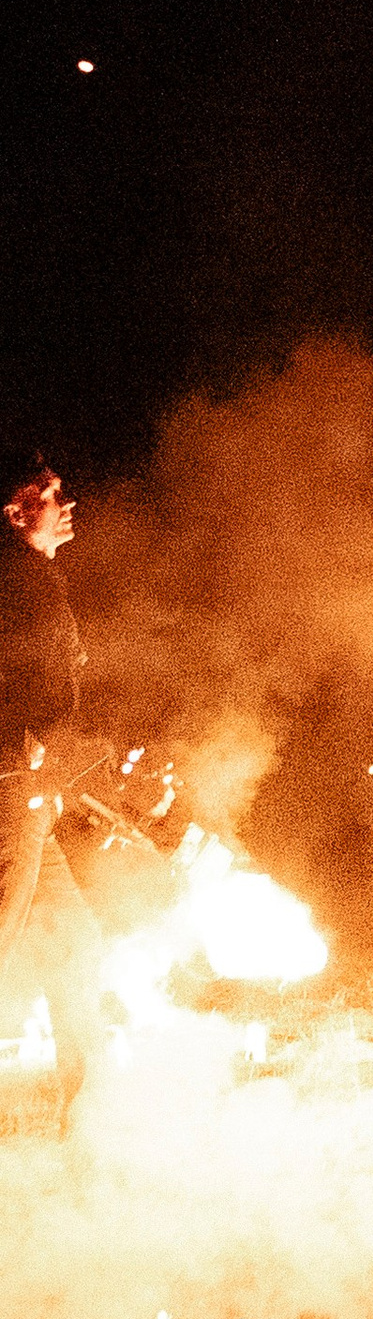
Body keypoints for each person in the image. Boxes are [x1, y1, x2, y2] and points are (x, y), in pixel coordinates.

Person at [0, 453, 108, 1127]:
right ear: (15, 514)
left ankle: (88, 1113)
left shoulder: (33, 578)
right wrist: (27, 743)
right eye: (47, 495)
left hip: (29, 788)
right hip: (11, 784)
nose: (62, 503)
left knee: (75, 937)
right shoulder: (15, 581)